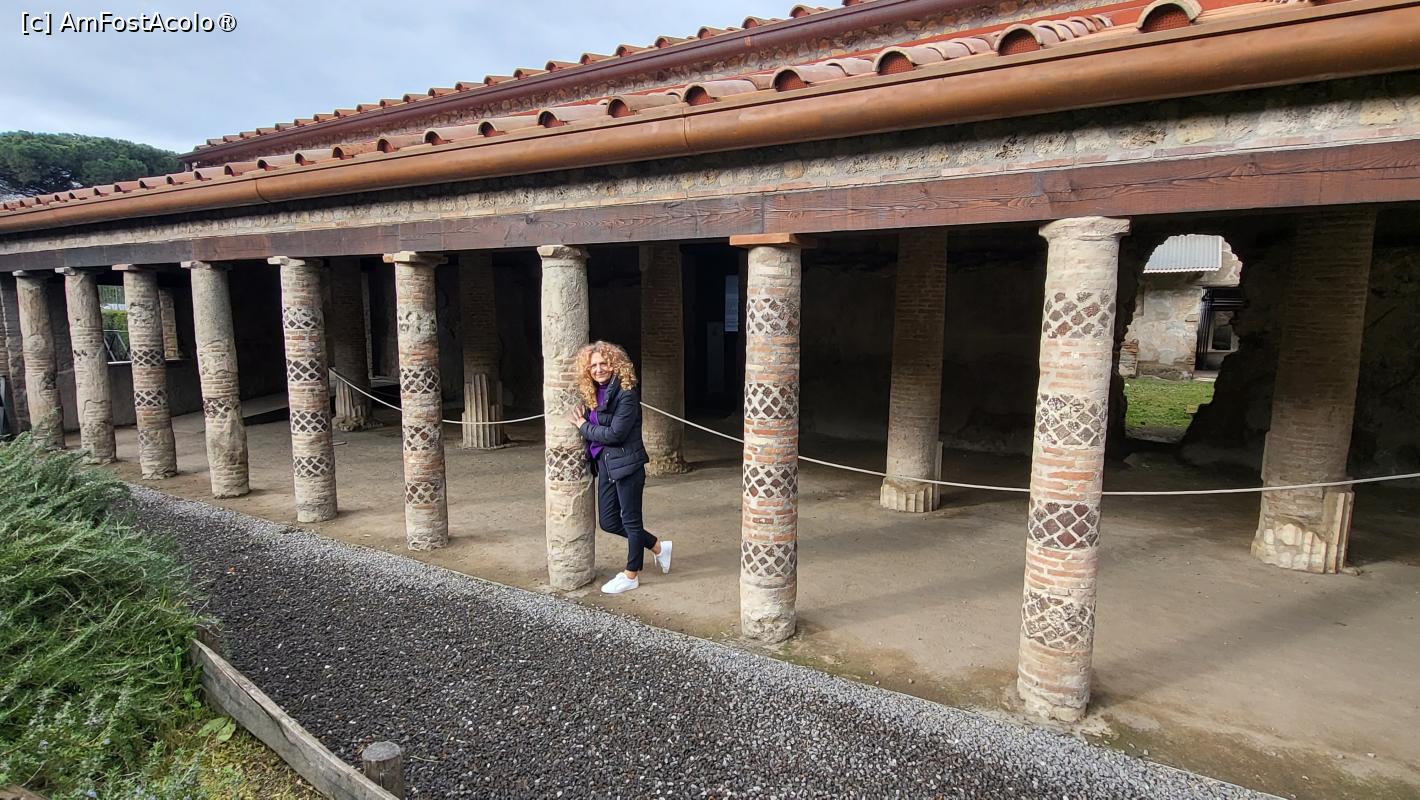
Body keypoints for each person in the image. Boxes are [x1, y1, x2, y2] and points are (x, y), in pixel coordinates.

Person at [565, 340, 671, 594]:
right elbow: (603, 426)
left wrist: (583, 426)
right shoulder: (594, 392)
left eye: (604, 363)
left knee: (631, 521)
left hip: (627, 465)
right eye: (593, 366)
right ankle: (658, 546)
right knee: (609, 521)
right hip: (605, 464)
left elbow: (616, 433)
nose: (599, 369)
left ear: (614, 364)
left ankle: (631, 574)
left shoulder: (626, 392)